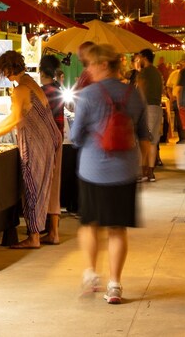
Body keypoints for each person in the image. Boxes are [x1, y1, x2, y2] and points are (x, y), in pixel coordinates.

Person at [69, 43, 151, 305]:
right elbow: (143, 133)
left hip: (93, 169)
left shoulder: (89, 95)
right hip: (125, 170)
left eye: (91, 64)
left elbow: (76, 136)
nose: (88, 69)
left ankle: (92, 274)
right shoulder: (133, 94)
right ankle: (114, 284)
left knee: (89, 225)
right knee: (117, 229)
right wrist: (145, 163)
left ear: (104, 65)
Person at [0, 51, 62, 249]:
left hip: (36, 142)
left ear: (7, 69)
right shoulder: (30, 83)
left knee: (32, 186)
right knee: (43, 187)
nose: (4, 75)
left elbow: (14, 119)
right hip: (48, 139)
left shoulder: (21, 89)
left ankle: (34, 237)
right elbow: (15, 116)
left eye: (3, 71)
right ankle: (46, 234)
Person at [38, 54, 66, 244]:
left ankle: (48, 231)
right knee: (54, 184)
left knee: (45, 185)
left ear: (41, 72)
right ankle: (52, 230)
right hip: (58, 137)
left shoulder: (43, 92)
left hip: (46, 140)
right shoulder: (58, 88)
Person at [135, 48, 164, 182]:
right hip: (157, 107)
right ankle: (150, 172)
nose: (138, 60)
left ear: (144, 58)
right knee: (153, 141)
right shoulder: (157, 72)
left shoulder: (144, 72)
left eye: (139, 58)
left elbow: (140, 90)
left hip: (147, 108)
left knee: (143, 139)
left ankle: (142, 171)